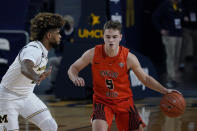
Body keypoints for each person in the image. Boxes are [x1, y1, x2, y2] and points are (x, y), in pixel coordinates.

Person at [68, 20, 180, 131]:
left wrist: (165, 90)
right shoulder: (93, 53)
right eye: (108, 37)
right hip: (102, 102)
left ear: (120, 37)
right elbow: (73, 68)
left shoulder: (129, 57)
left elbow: (145, 79)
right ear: (103, 37)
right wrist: (75, 77)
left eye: (114, 37)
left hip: (124, 102)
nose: (111, 40)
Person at [0, 12, 65, 131]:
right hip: (6, 98)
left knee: (50, 126)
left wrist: (38, 75)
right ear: (49, 35)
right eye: (58, 33)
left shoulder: (43, 51)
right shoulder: (33, 49)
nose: (60, 36)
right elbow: (25, 67)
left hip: (26, 96)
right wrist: (36, 77)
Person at [152, 0, 184, 88]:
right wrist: (161, 29)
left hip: (178, 34)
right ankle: (171, 78)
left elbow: (181, 17)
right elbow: (155, 17)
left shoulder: (179, 5)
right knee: (171, 57)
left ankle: (175, 76)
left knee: (177, 57)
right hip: (169, 35)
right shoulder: (165, 5)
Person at [46, 15, 75, 94]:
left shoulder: (77, 32)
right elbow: (57, 48)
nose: (66, 25)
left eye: (67, 23)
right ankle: (53, 85)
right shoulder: (60, 33)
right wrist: (60, 56)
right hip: (62, 57)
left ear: (72, 23)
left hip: (74, 58)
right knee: (52, 61)